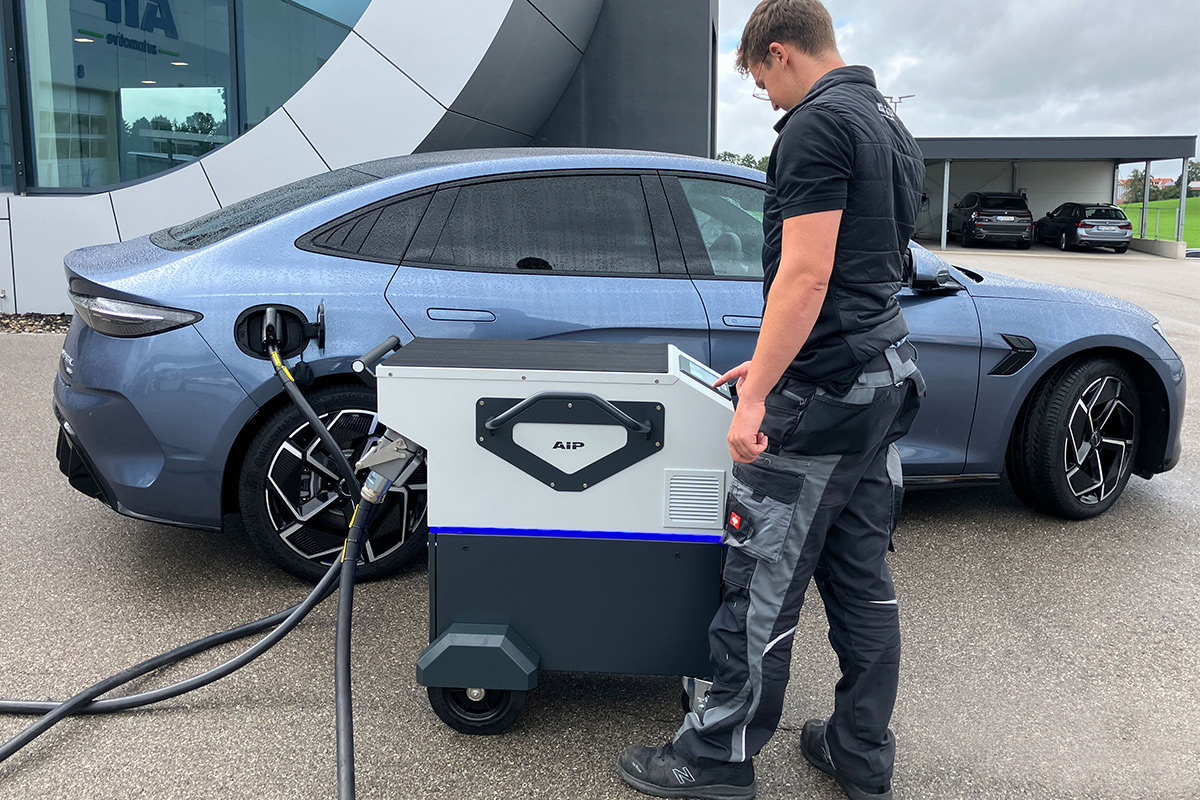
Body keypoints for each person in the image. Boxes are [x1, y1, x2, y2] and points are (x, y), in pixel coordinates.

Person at [617, 2, 925, 799]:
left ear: (780, 53)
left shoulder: (817, 124)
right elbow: (864, 272)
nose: (767, 99)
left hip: (823, 396)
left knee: (759, 576)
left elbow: (809, 272)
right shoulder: (888, 121)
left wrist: (758, 397)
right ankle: (859, 753)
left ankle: (716, 759)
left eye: (761, 82)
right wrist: (767, 359)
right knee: (861, 582)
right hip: (879, 378)